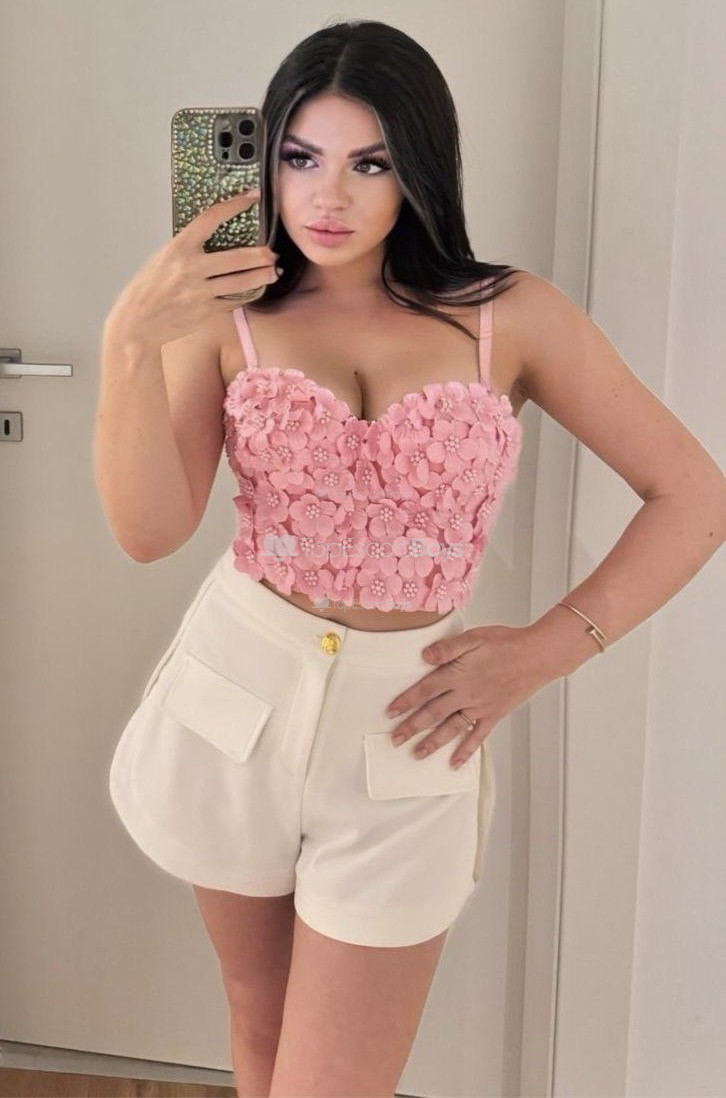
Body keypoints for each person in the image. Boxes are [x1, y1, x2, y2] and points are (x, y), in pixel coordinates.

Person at [93, 19, 726, 1098]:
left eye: (370, 163)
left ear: (420, 168)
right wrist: (129, 338)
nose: (328, 196)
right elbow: (149, 532)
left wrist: (547, 650)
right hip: (234, 698)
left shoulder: (509, 314)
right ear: (266, 160)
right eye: (301, 157)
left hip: (409, 727)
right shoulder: (223, 317)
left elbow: (694, 496)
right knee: (257, 1026)